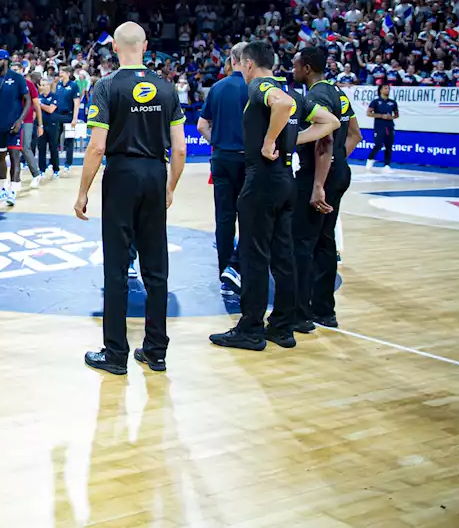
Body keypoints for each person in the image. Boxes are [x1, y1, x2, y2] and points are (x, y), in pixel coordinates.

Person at [209, 40, 339, 352]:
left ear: (248, 65)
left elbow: (280, 105)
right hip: (286, 181)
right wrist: (292, 141)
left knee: (254, 257)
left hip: (262, 180)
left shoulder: (261, 88)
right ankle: (283, 326)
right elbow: (330, 122)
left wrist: (269, 141)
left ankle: (251, 329)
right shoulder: (295, 91)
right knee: (284, 256)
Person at [74, 22, 186, 376]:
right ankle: (156, 351)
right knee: (156, 269)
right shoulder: (167, 88)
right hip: (155, 172)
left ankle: (115, 354)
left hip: (121, 175)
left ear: (116, 50)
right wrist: (169, 187)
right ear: (146, 46)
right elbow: (180, 149)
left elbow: (97, 146)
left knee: (117, 268)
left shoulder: (106, 86)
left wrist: (82, 193)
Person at [291, 46, 361, 331]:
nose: (292, 69)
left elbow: (325, 141)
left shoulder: (316, 96)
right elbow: (355, 134)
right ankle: (325, 310)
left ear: (307, 68)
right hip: (339, 172)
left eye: (295, 65)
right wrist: (337, 163)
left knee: (303, 243)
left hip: (316, 177)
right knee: (325, 241)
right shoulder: (339, 93)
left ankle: (301, 313)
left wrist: (320, 181)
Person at [196, 42, 247, 296]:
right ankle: (241, 269)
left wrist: (216, 142)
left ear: (231, 60)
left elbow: (201, 125)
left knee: (224, 218)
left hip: (221, 158)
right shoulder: (255, 88)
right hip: (248, 161)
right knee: (249, 216)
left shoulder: (217, 87)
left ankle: (225, 275)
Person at [0, 49, 31, 207]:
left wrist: (20, 121)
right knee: (0, 159)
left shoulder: (17, 78)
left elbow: (27, 100)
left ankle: (13, 190)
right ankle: (4, 187)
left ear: (5, 61)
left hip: (13, 125)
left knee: (15, 156)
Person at [366, 84, 398, 170]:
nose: (387, 90)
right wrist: (381, 116)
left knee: (389, 145)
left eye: (388, 88)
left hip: (389, 125)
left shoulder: (393, 102)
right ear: (381, 90)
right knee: (378, 144)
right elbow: (368, 113)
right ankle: (370, 160)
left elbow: (396, 115)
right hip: (379, 125)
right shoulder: (375, 102)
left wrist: (390, 117)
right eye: (385, 88)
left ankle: (387, 165)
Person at [56, 66, 82, 173]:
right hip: (58, 115)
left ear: (68, 74)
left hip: (69, 115)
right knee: (54, 140)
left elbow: (76, 103)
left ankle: (68, 164)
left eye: (62, 72)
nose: (60, 73)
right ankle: (55, 164)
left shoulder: (74, 85)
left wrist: (75, 118)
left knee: (69, 141)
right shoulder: (58, 85)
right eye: (60, 71)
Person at [38, 74, 63, 180]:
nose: (42, 87)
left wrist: (39, 105)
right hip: (42, 126)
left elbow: (50, 109)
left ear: (48, 86)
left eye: (44, 85)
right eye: (41, 85)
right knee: (41, 149)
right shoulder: (39, 97)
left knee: (53, 148)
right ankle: (42, 170)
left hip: (53, 126)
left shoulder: (54, 97)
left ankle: (56, 169)